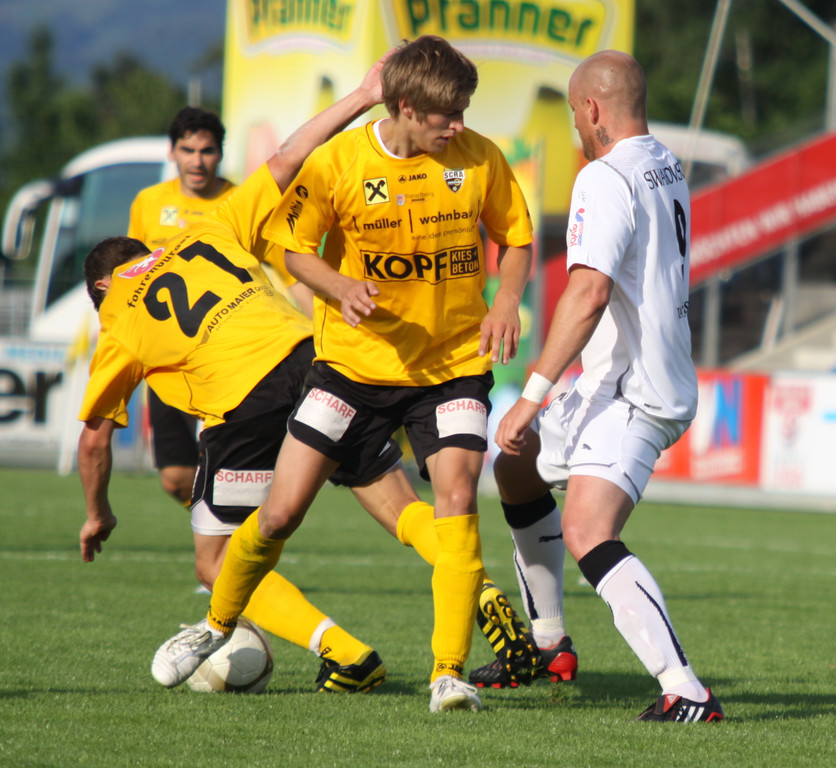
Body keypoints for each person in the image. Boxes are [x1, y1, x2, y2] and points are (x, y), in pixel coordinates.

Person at [79, 55, 534, 697]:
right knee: (397, 506)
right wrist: (360, 95)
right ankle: (475, 587)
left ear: (104, 287)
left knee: (228, 550)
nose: (458, 124)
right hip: (311, 357)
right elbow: (288, 159)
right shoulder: (209, 228)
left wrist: (96, 513)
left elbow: (94, 441)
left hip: (257, 395)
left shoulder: (117, 318)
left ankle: (350, 654)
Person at [489, 50, 724, 722]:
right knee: (515, 469)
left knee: (588, 530)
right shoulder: (664, 162)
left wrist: (531, 394)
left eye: (572, 112)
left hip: (635, 391)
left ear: (591, 108)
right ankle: (548, 645)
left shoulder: (604, 176)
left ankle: (686, 691)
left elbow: (588, 291)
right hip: (621, 379)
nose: (573, 126)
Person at [127, 107, 237, 508]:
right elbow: (130, 274)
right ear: (172, 152)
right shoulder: (149, 202)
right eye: (188, 150)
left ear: (220, 154)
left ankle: (229, 537)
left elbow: (286, 264)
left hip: (226, 354)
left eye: (206, 151)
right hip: (167, 355)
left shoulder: (238, 201)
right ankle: (221, 530)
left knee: (230, 467)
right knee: (175, 477)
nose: (197, 161)